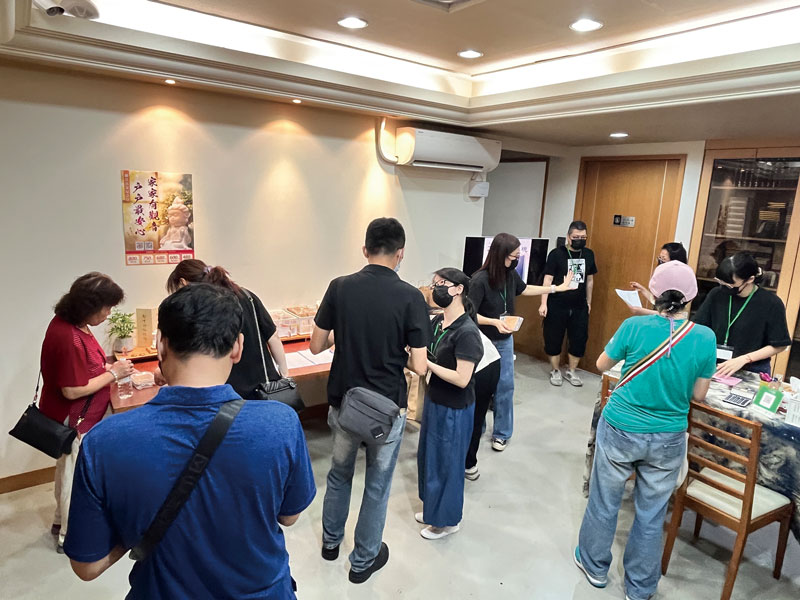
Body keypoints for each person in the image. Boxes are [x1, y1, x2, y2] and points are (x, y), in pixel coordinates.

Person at [64, 283, 315, 599]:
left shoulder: (104, 441)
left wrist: (139, 526)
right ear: (237, 347)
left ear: (161, 345)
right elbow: (289, 516)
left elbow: (87, 567)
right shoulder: (280, 423)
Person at [574, 261, 716, 600]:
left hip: (621, 426)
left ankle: (594, 567)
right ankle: (639, 587)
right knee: (652, 514)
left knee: (605, 500)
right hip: (668, 436)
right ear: (691, 297)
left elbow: (601, 365)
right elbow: (699, 395)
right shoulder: (705, 337)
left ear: (654, 293)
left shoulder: (633, 326)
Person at [311, 217, 430, 583]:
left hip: (344, 404)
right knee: (377, 486)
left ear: (365, 250)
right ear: (400, 254)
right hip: (385, 409)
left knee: (339, 474)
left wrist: (345, 335)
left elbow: (316, 345)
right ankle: (363, 561)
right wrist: (395, 353)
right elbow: (420, 366)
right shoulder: (411, 297)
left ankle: (330, 543)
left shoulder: (339, 287)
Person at [39, 272, 133, 553]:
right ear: (89, 306)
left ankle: (60, 522)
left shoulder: (74, 325)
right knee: (74, 477)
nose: (108, 313)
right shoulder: (68, 336)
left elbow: (86, 367)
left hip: (79, 415)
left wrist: (106, 369)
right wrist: (114, 374)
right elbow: (71, 390)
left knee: (67, 471)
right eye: (106, 307)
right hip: (74, 417)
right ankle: (69, 537)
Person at [469, 233, 574, 451]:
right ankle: (476, 429)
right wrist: (493, 322)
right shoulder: (479, 280)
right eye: (514, 256)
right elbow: (469, 315)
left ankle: (502, 433)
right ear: (501, 255)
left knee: (505, 386)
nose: (517, 259)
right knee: (480, 388)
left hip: (505, 340)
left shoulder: (510, 274)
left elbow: (525, 289)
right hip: (483, 341)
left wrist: (555, 288)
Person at [416, 268, 483, 539]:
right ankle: (432, 509)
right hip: (435, 399)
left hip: (455, 408)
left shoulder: (467, 332)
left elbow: (462, 378)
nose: (436, 289)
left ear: (458, 289)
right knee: (429, 457)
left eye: (442, 283)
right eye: (434, 284)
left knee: (447, 463)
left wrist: (427, 363)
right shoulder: (437, 322)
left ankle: (446, 521)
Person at [166, 259, 289, 395]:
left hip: (229, 392)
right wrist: (284, 375)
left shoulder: (199, 309)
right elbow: (273, 337)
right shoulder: (247, 295)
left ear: (183, 283)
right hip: (264, 387)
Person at [693, 252, 791, 376]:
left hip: (752, 369)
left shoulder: (771, 303)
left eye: (730, 284)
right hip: (716, 365)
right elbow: (698, 327)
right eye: (721, 282)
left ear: (750, 279)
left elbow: (780, 345)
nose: (724, 287)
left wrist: (745, 359)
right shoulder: (716, 294)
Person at [540, 221, 598, 387]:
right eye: (576, 237)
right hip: (557, 303)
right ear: (568, 237)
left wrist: (589, 301)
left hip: (579, 304)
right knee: (553, 338)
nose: (580, 240)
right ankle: (555, 370)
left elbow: (590, 280)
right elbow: (547, 279)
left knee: (579, 338)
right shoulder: (556, 254)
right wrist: (543, 303)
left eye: (583, 237)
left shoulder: (589, 254)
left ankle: (571, 371)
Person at [464, 329, 501, 481]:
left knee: (469, 417)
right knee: (476, 418)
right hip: (490, 360)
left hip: (481, 367)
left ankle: (467, 463)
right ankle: (469, 464)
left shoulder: (439, 324)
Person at [628, 242, 688, 314]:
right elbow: (658, 302)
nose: (660, 262)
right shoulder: (664, 277)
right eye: (660, 258)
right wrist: (642, 289)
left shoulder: (679, 284)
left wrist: (641, 311)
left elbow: (668, 314)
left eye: (663, 259)